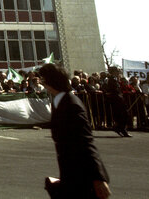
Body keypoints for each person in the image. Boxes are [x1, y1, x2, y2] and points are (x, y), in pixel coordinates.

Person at [39, 63, 110, 199]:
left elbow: (86, 141)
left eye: (43, 79)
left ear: (50, 81)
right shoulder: (60, 102)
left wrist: (98, 178)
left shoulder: (71, 105)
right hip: (70, 174)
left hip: (83, 177)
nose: (42, 83)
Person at [104, 66, 130, 137]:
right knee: (122, 114)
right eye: (117, 71)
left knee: (124, 114)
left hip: (119, 98)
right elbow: (114, 90)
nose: (118, 72)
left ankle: (120, 128)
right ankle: (121, 128)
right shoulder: (111, 80)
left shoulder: (115, 79)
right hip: (116, 99)